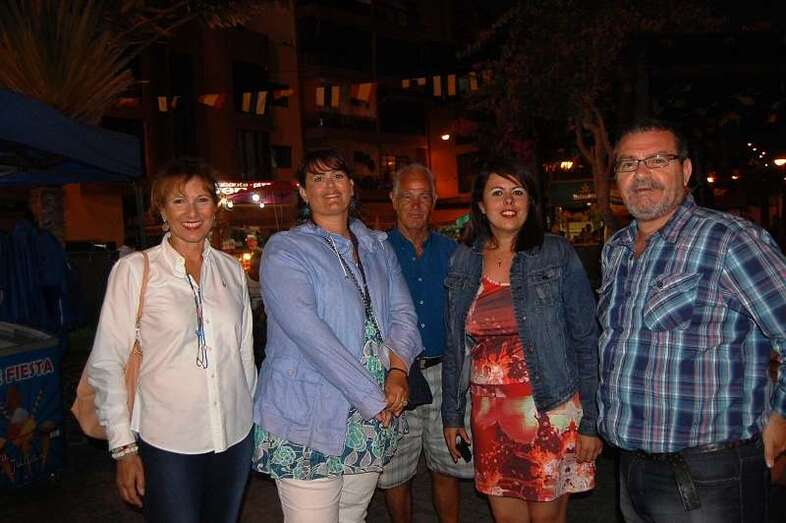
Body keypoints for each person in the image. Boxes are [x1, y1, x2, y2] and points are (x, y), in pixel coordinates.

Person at [597, 119, 786, 522]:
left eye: (657, 160)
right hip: (631, 466)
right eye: (628, 164)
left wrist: (782, 415)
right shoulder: (616, 249)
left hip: (710, 472)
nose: (641, 174)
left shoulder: (729, 240)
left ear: (685, 171)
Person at [252, 149, 422, 522]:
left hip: (371, 413)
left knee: (353, 516)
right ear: (303, 192)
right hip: (309, 412)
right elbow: (311, 335)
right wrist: (373, 398)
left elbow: (403, 313)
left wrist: (398, 370)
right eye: (318, 179)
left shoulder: (376, 245)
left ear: (352, 186)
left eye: (338, 176)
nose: (330, 186)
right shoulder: (286, 249)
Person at [87, 159, 256, 522]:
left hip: (234, 436)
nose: (192, 212)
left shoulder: (230, 270)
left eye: (202, 200)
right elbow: (107, 362)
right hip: (168, 442)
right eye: (179, 201)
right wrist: (123, 448)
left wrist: (253, 423)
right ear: (162, 210)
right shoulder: (135, 270)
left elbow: (244, 357)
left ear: (215, 208)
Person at [442, 160, 601, 523]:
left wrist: (591, 421)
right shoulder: (462, 260)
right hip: (489, 417)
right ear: (481, 205)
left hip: (551, 410)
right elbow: (454, 345)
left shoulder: (556, 253)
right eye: (497, 192)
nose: (509, 201)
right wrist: (451, 415)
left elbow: (586, 339)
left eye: (518, 191)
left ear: (531, 202)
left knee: (546, 519)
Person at [378, 164, 474, 523]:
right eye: (407, 196)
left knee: (447, 466)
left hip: (444, 372)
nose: (416, 205)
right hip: (395, 375)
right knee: (395, 475)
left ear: (434, 200)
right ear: (393, 199)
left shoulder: (455, 253)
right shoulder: (376, 252)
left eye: (423, 197)